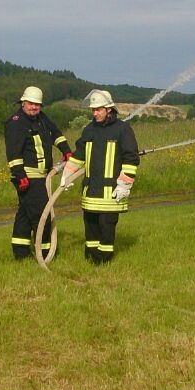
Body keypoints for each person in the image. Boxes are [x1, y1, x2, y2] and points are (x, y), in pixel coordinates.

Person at [61, 90, 139, 264]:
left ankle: (103, 261)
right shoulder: (89, 130)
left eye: (98, 109)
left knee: (106, 226)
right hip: (90, 192)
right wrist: (67, 174)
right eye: (93, 110)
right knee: (90, 226)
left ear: (109, 109)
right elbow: (79, 155)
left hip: (111, 192)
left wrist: (124, 185)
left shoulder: (123, 130)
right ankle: (91, 257)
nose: (94, 113)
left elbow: (131, 158)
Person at [4, 86, 72, 260]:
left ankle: (21, 253)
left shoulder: (41, 118)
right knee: (42, 214)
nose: (34, 107)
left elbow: (56, 133)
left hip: (42, 176)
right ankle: (46, 254)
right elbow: (13, 154)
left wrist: (66, 150)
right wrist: (20, 176)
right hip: (28, 177)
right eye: (31, 104)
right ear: (23, 102)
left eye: (37, 105)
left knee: (25, 215)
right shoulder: (16, 122)